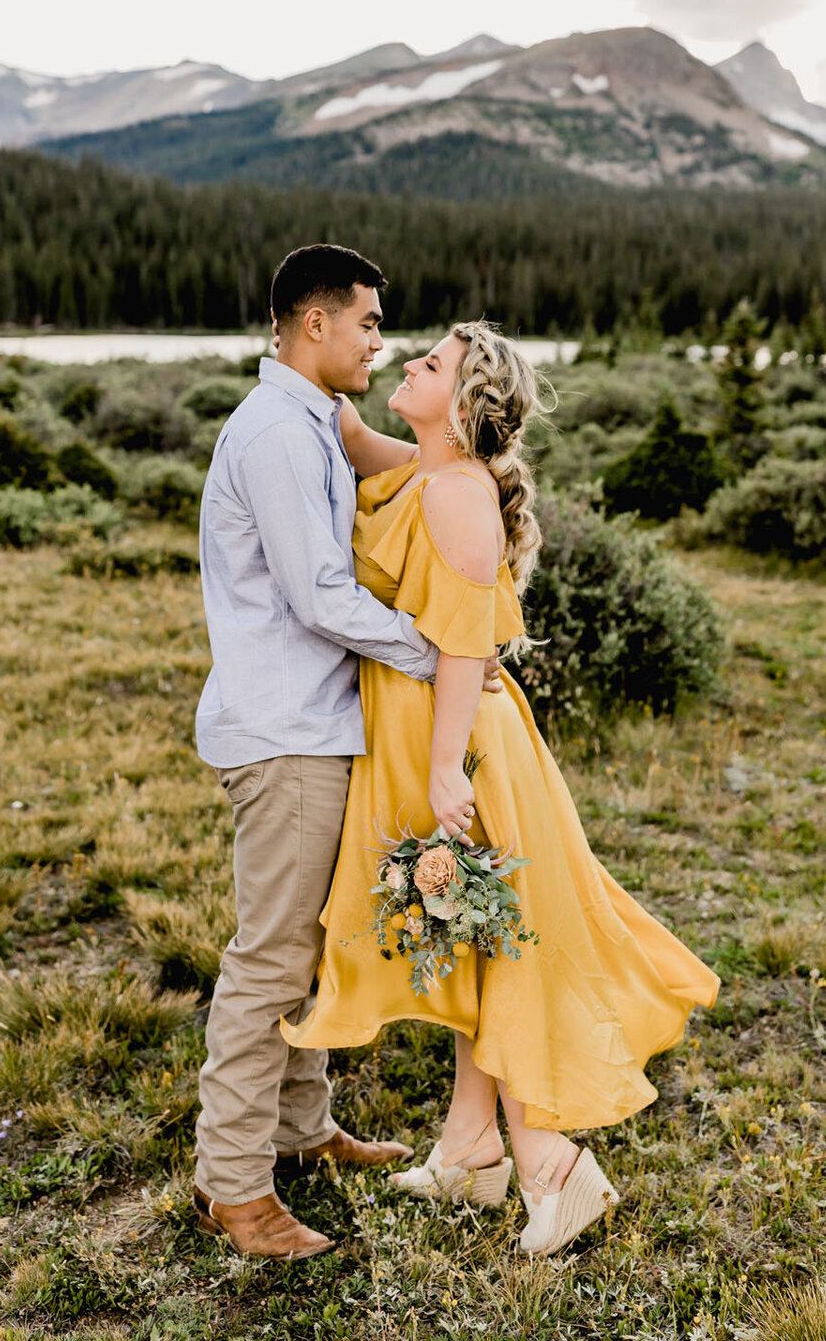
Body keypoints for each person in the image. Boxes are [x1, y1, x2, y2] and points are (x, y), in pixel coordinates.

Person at [280, 320, 722, 1255]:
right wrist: (295, 365)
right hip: (418, 734)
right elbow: (351, 435)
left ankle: (552, 1162)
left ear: (467, 402)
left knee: (501, 941)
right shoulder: (428, 466)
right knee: (472, 940)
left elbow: (469, 644)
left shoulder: (460, 496)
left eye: (430, 364)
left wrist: (444, 770)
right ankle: (470, 1147)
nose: (406, 362)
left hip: (461, 747)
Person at [191, 245, 498, 1262]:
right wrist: (440, 654)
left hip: (317, 726)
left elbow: (400, 465)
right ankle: (234, 1188)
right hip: (284, 735)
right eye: (367, 323)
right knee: (270, 957)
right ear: (312, 324)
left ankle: (302, 1127)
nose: (380, 341)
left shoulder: (314, 418)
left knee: (310, 942)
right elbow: (320, 595)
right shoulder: (277, 435)